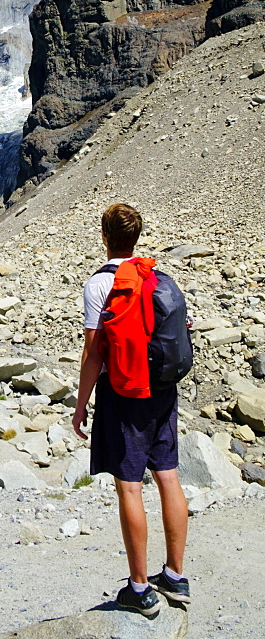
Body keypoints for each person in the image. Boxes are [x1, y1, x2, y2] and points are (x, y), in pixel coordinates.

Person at [72, 203, 190, 616]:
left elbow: (93, 353)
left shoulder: (99, 285)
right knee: (168, 476)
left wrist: (81, 403)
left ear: (104, 237)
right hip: (162, 390)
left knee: (130, 486)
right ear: (135, 237)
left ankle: (139, 588)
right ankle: (175, 576)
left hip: (124, 392)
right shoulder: (156, 276)